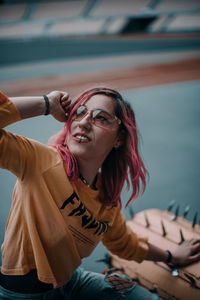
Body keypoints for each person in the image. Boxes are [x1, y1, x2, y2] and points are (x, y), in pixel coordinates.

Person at [0, 87, 199, 300]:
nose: (83, 122)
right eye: (79, 112)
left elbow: (124, 243)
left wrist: (171, 257)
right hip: (21, 295)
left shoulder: (107, 200)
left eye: (101, 118)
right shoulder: (40, 162)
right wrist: (46, 104)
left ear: (119, 139)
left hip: (72, 283)